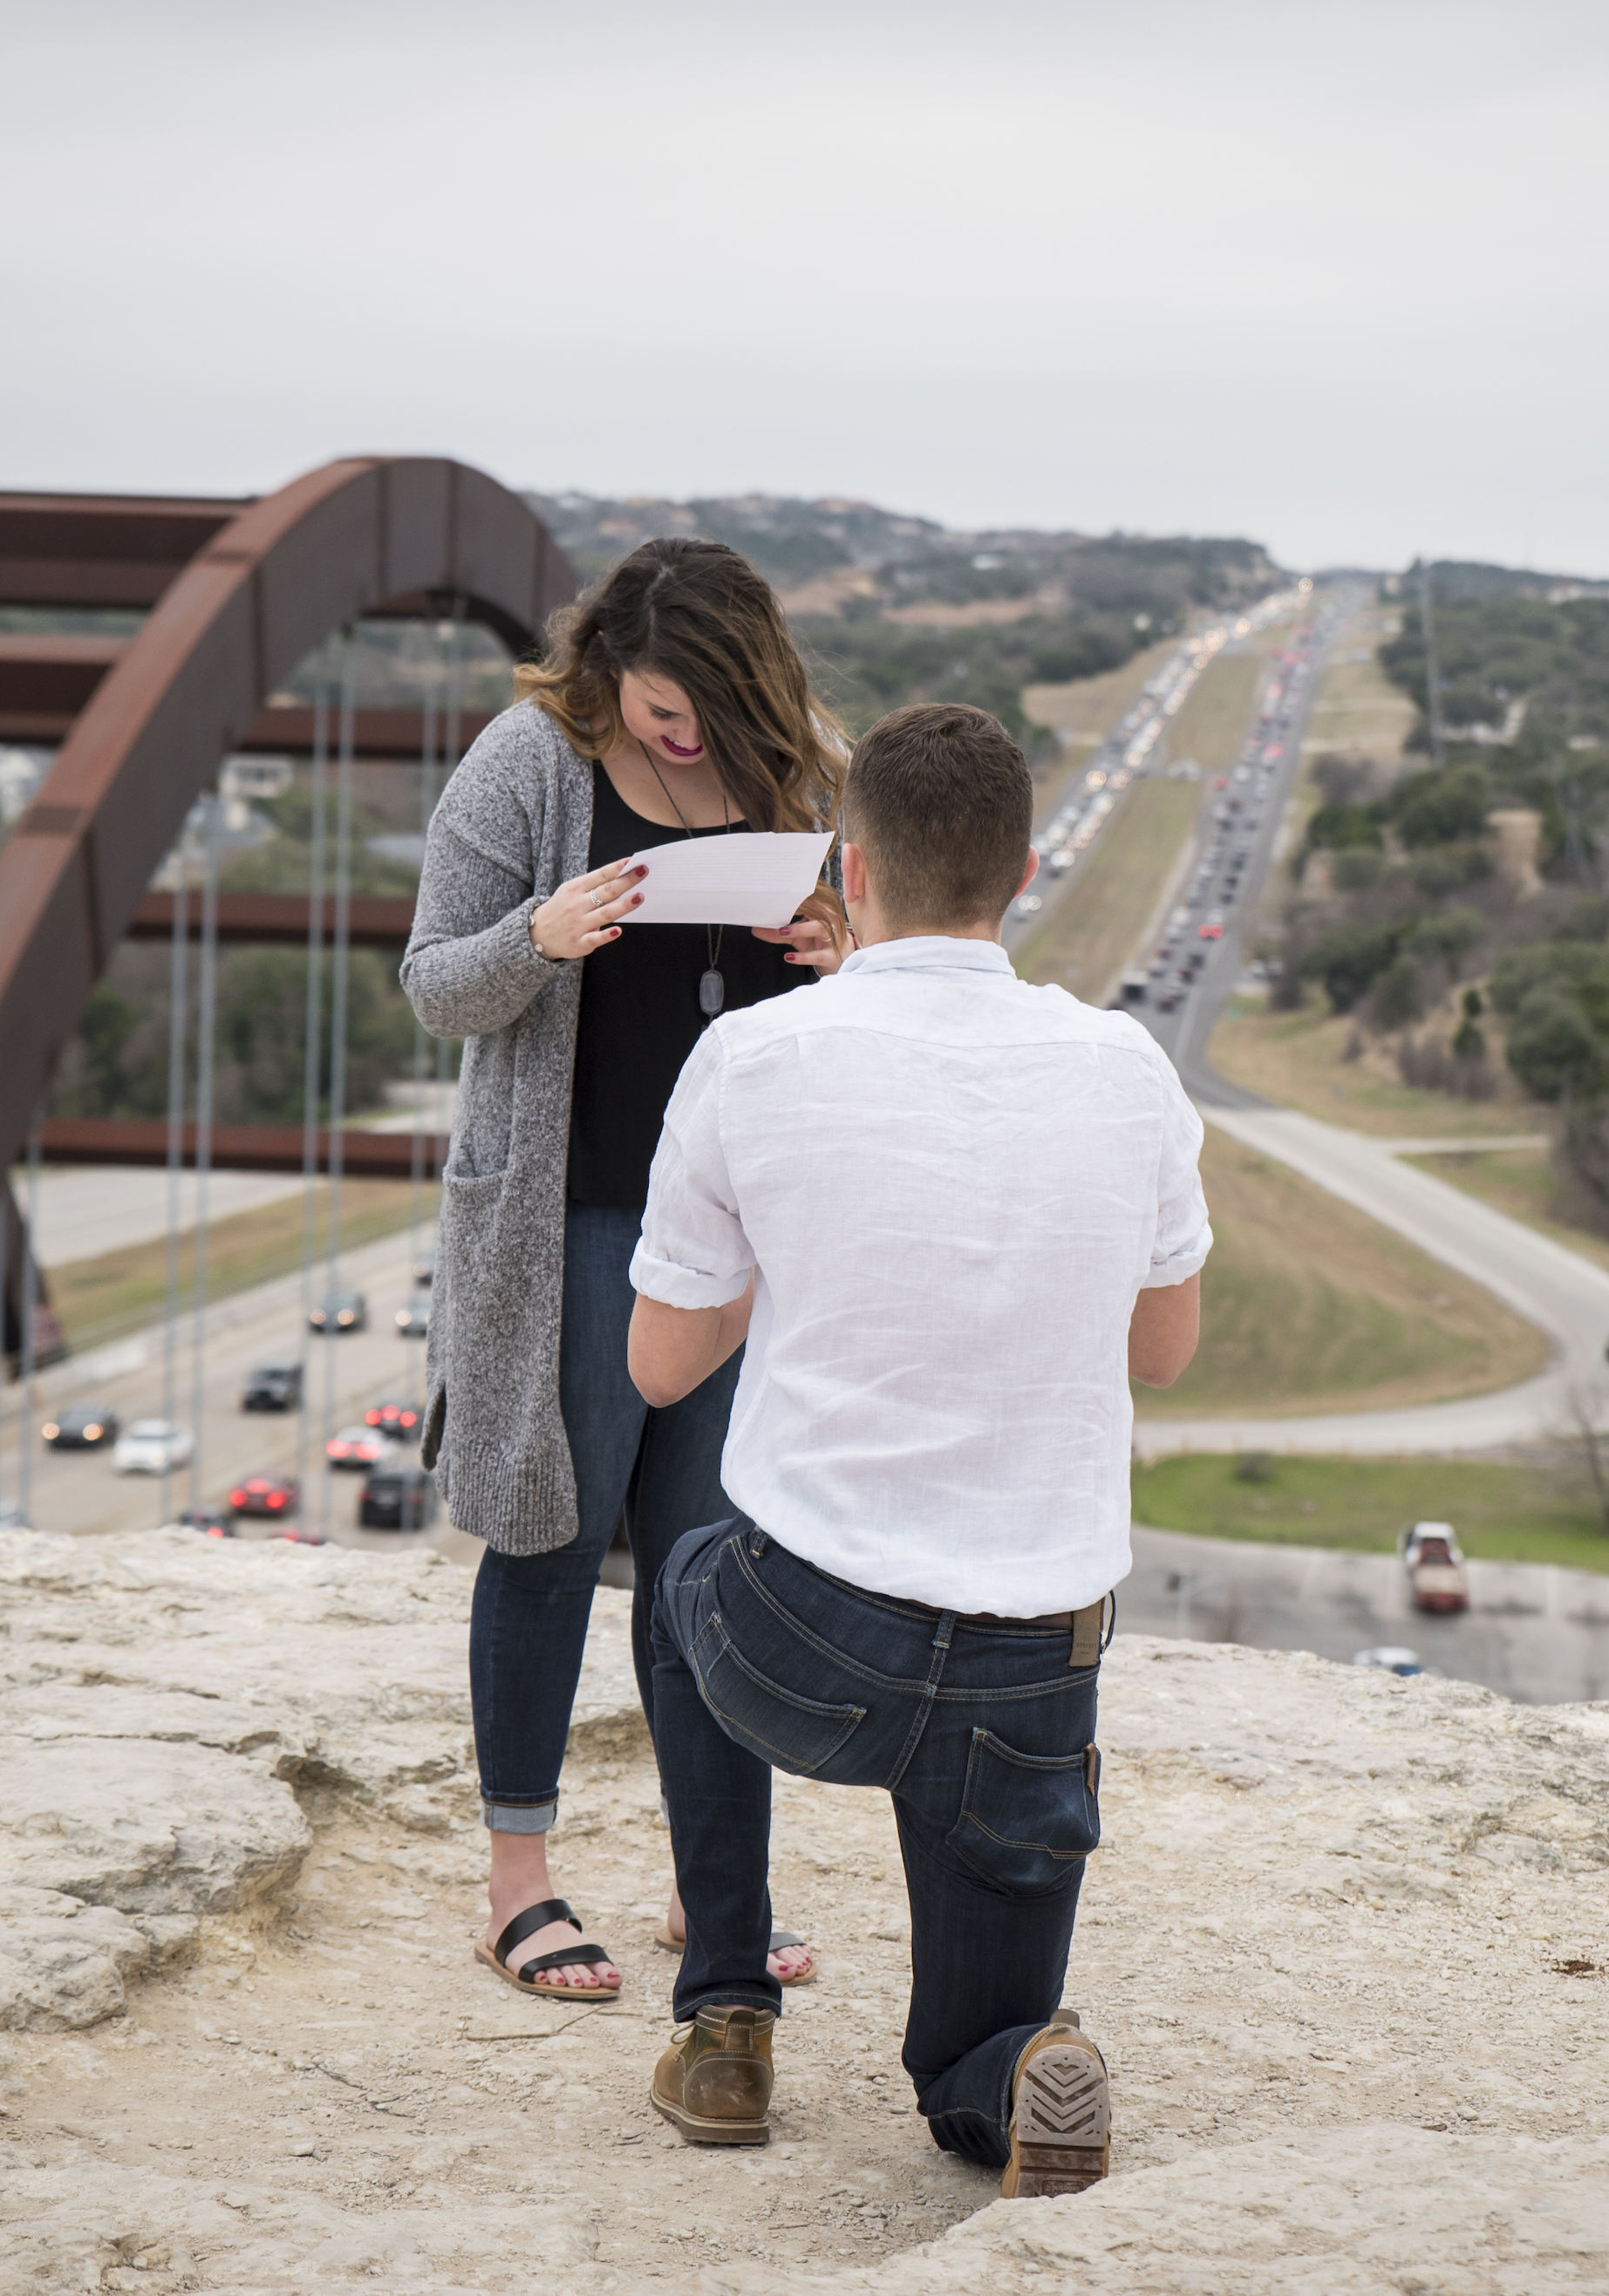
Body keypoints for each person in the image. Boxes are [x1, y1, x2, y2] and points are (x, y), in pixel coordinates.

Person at [621, 700, 1210, 2194]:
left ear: (852, 865)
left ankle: (728, 2023)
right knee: (974, 2049)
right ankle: (1014, 2072)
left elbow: (661, 1361)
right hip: (1032, 1660)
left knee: (681, 1577)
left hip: (803, 1643)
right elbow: (1163, 1352)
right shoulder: (1129, 1066)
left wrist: (797, 1253)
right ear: (1019, 873)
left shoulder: (756, 1059)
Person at [399, 537, 848, 2002]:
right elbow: (431, 986)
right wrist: (540, 936)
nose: (690, 736)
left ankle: (713, 1896)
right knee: (547, 1536)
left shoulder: (796, 771)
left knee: (712, 1563)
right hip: (572, 1223)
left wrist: (847, 952)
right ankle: (518, 1884)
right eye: (667, 705)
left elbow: (912, 966)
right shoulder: (527, 766)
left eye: (717, 707)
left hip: (739, 1235)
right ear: (609, 669)